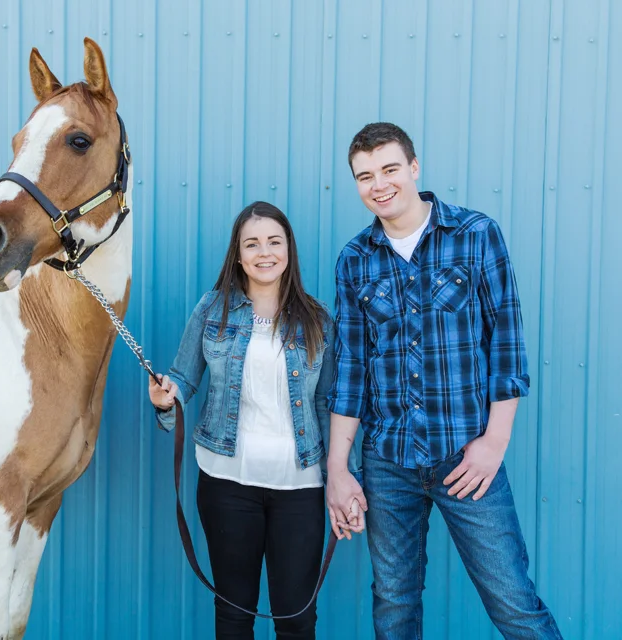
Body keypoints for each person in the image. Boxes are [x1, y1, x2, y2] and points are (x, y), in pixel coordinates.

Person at [323, 122, 564, 639]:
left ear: (414, 168)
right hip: (388, 464)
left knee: (514, 602)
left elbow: (507, 347)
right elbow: (350, 371)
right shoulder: (354, 261)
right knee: (394, 607)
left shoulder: (476, 235)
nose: (379, 184)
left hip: (466, 457)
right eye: (365, 176)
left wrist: (493, 444)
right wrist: (338, 469)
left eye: (389, 169)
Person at [148, 201, 362, 640]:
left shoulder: (318, 320)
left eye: (273, 242)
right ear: (239, 255)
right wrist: (166, 401)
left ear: (288, 250)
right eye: (252, 244)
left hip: (299, 487)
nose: (264, 252)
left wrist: (344, 479)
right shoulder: (212, 310)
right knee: (233, 615)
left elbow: (329, 405)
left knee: (297, 619)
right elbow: (183, 379)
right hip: (226, 483)